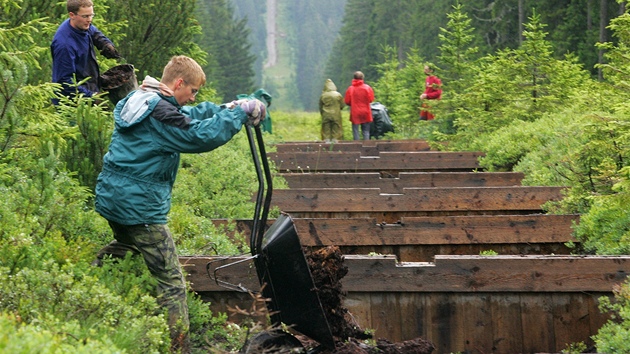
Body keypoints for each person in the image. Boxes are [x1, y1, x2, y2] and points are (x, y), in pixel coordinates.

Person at [93, 55, 266, 353]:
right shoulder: (160, 112)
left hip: (114, 198)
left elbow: (187, 115)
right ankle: (179, 348)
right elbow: (199, 135)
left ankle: (88, 280)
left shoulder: (142, 98)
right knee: (172, 284)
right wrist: (237, 117)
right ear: (179, 83)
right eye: (193, 91)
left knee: (127, 245)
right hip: (140, 208)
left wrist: (228, 108)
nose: (193, 97)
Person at [51, 0, 121, 103]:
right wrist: (91, 97)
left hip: (87, 86)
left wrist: (105, 44)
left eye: (91, 15)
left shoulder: (80, 24)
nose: (89, 20)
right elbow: (65, 82)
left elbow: (93, 31)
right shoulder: (64, 45)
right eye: (85, 16)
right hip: (70, 103)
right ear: (72, 15)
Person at [344, 71, 375, 140]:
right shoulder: (367, 88)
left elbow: (347, 101)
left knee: (355, 131)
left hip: (355, 112)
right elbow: (371, 99)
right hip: (366, 111)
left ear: (354, 78)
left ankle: (356, 146)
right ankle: (366, 147)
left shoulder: (350, 89)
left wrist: (353, 104)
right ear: (362, 78)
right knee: (366, 131)